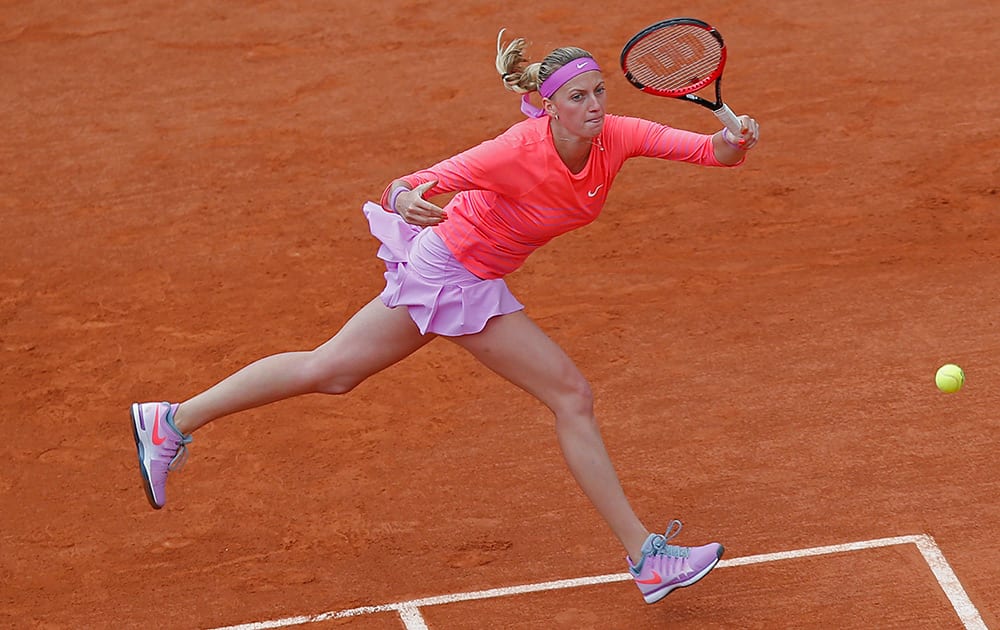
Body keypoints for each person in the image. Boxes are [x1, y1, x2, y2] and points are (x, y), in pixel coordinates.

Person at [130, 29, 760, 605]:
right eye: (578, 97)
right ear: (547, 107)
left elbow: (711, 153)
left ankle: (173, 420)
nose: (595, 105)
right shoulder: (515, 150)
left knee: (332, 371)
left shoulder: (616, 135)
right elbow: (408, 184)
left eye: (599, 91)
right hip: (451, 272)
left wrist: (733, 142)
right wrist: (408, 199)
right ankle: (647, 558)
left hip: (462, 271)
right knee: (571, 394)